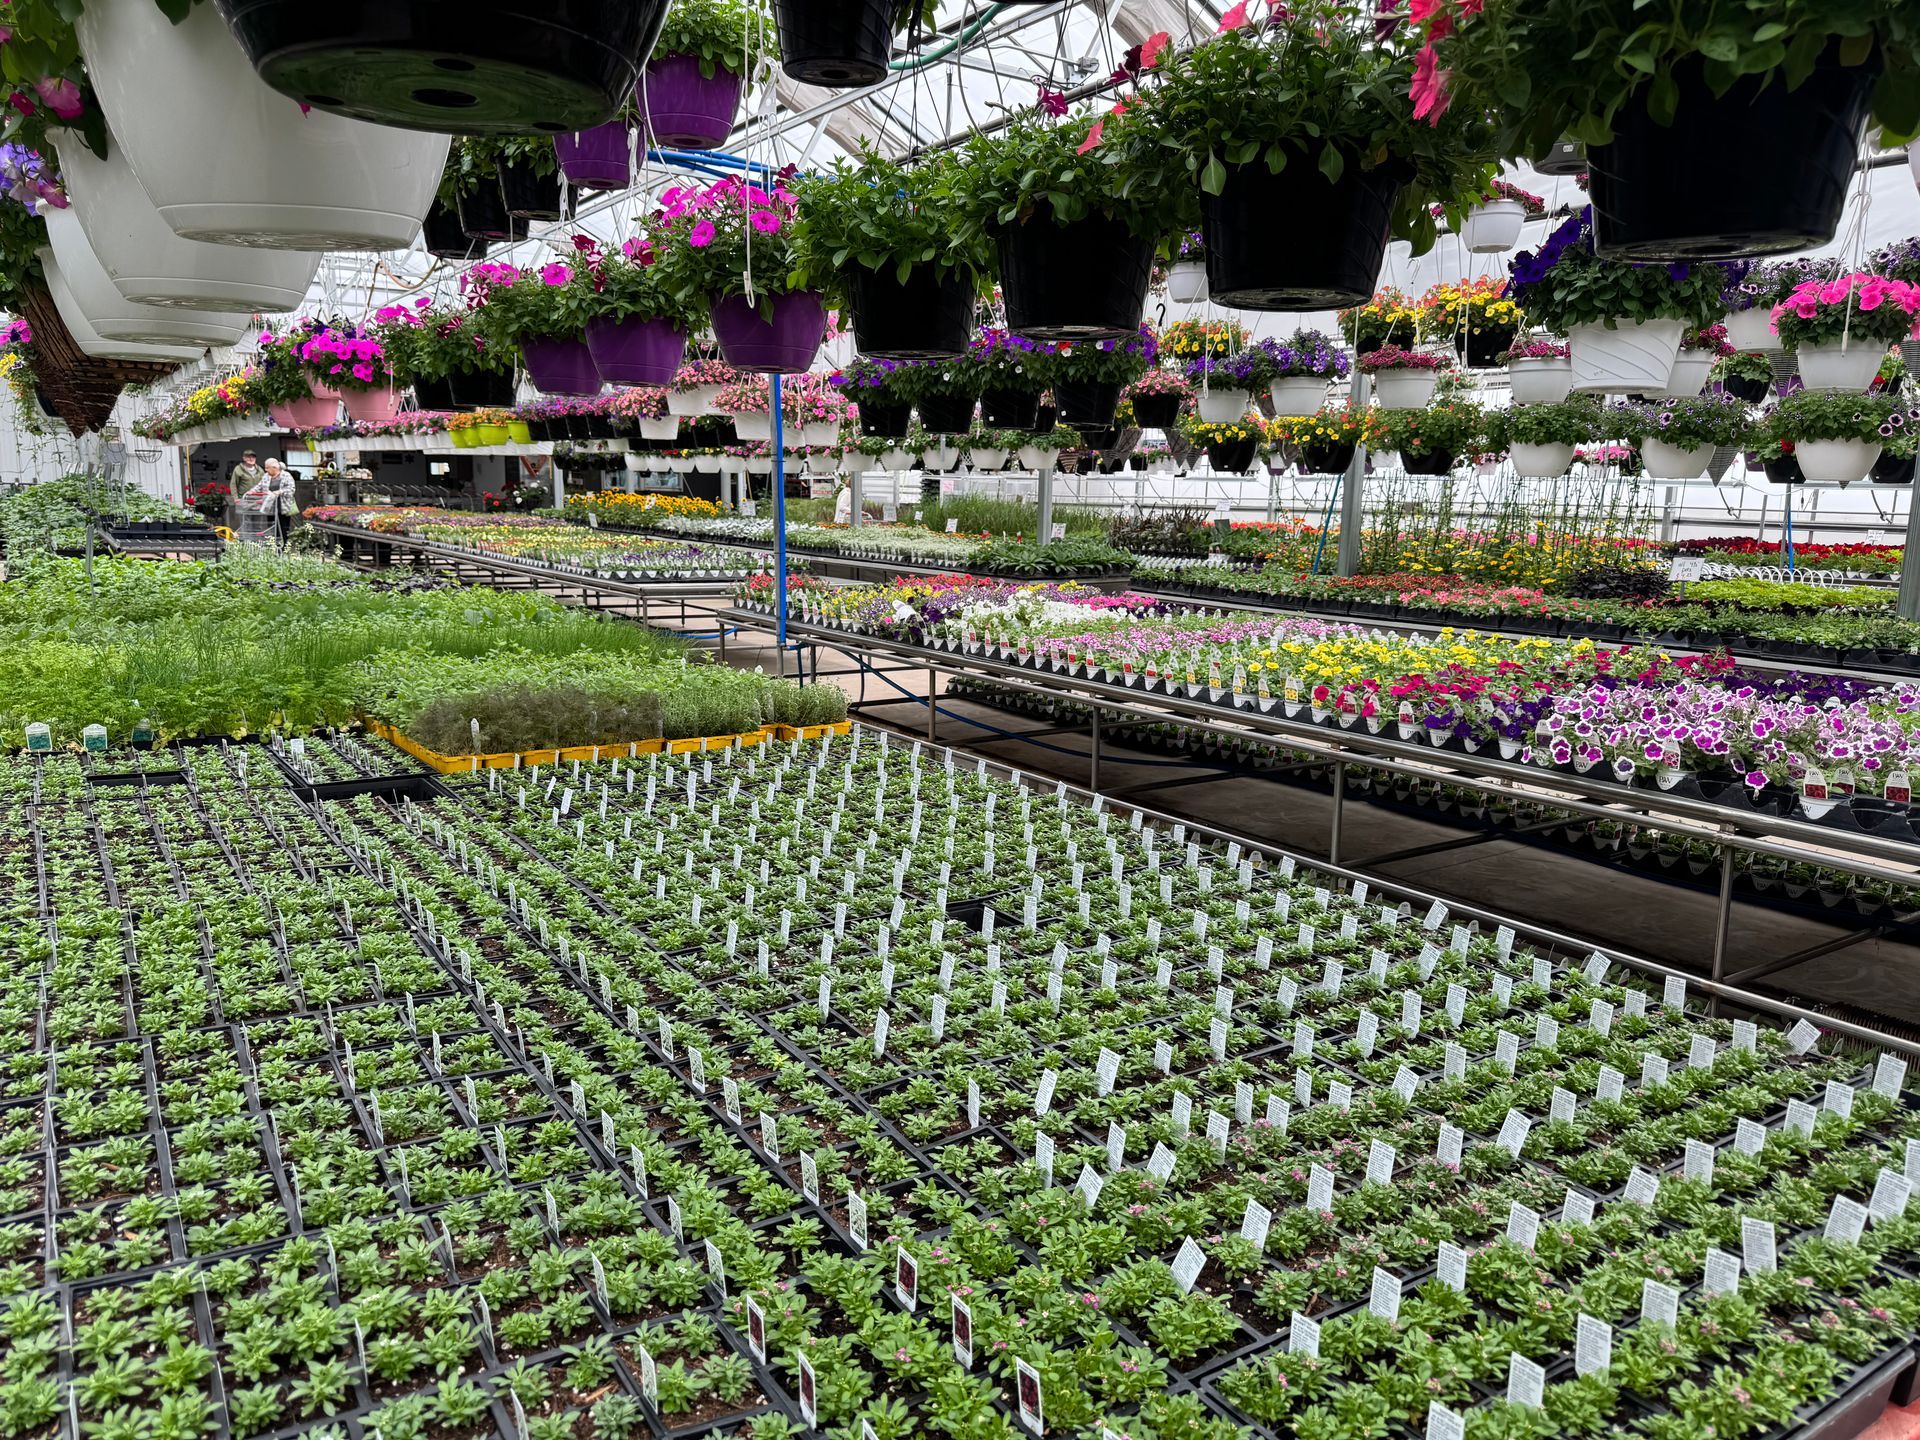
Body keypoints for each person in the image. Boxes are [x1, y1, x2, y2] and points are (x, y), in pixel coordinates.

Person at [260, 459, 297, 549]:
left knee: (283, 528)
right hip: (270, 506)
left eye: (267, 468)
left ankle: (284, 547)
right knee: (272, 527)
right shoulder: (266, 476)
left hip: (283, 506)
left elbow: (291, 489)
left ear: (275, 468)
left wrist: (280, 492)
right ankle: (274, 547)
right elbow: (260, 486)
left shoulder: (286, 476)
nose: (266, 470)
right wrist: (251, 492)